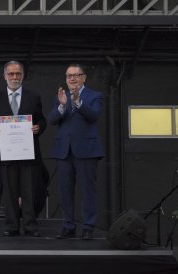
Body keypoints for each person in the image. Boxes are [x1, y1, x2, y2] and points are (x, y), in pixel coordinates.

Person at [0, 61, 47, 237]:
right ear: (4, 76)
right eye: (11, 74)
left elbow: (42, 120)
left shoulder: (34, 96)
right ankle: (12, 226)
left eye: (18, 73)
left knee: (29, 191)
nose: (15, 77)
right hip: (7, 153)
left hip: (28, 152)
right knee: (10, 191)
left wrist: (38, 127)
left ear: (23, 75)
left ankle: (30, 226)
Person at [49, 63, 103, 240]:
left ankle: (88, 226)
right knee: (65, 190)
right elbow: (52, 119)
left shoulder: (95, 95)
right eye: (69, 76)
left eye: (76, 75)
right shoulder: (61, 96)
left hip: (86, 150)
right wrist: (62, 106)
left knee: (88, 190)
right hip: (65, 151)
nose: (72, 79)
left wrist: (78, 102)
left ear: (84, 77)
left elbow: (94, 115)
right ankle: (68, 225)